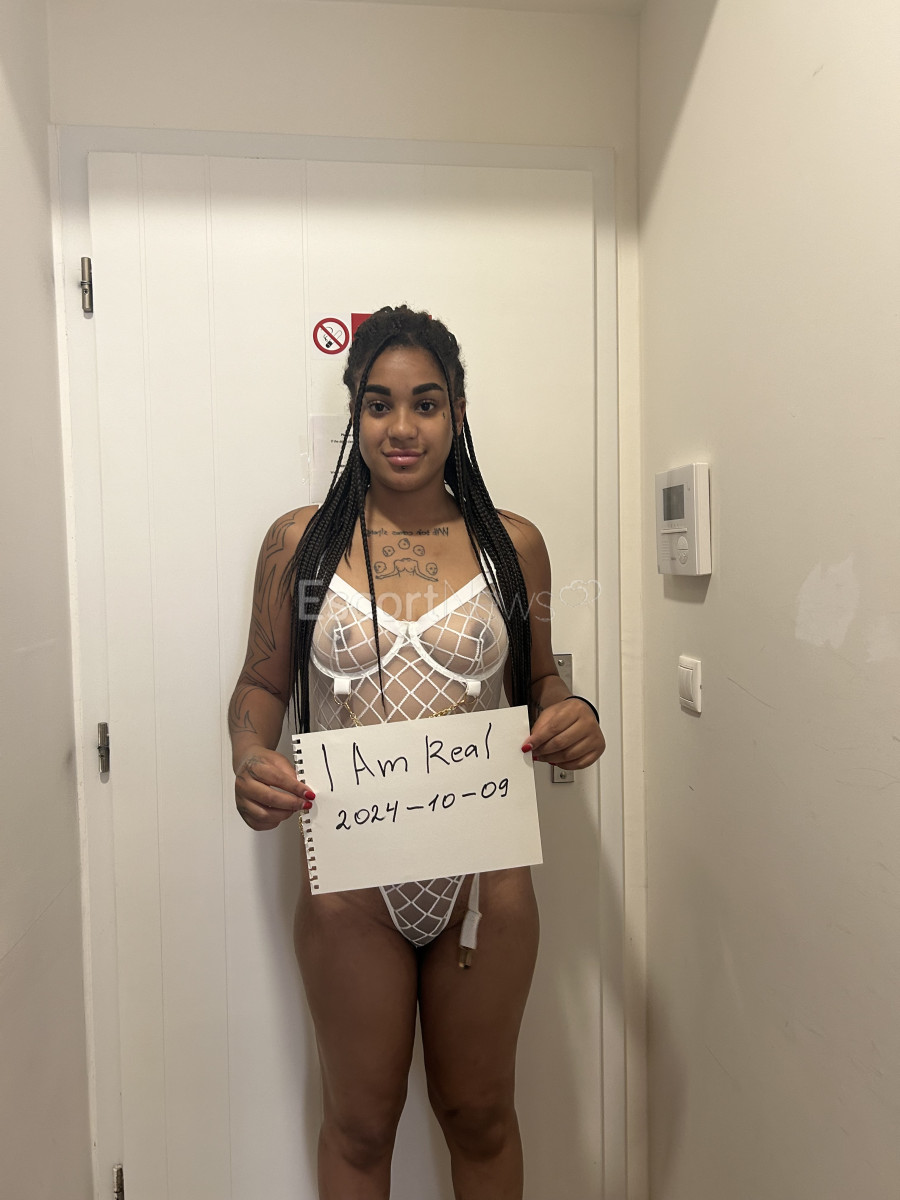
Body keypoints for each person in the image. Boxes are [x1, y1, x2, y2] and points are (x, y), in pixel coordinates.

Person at [228, 305, 605, 1200]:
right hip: (351, 883)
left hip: (484, 884)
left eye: (426, 404)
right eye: (379, 404)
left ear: (457, 412)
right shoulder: (299, 544)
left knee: (481, 1116)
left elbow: (541, 679)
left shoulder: (513, 546)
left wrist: (574, 713)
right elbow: (260, 686)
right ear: (355, 413)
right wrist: (248, 754)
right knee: (360, 1126)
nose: (402, 427)